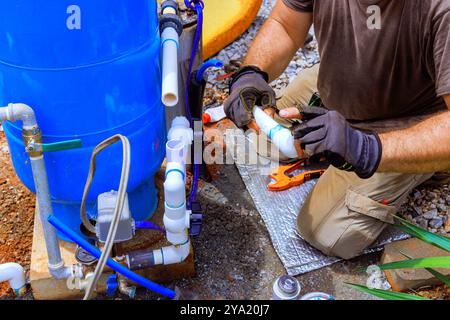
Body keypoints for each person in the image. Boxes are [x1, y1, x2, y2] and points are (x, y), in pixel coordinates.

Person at [224, 0, 450, 259]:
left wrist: (363, 149)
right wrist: (251, 74)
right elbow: (285, 25)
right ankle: (340, 119)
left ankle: (432, 167)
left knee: (326, 233)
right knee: (263, 139)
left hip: (409, 122)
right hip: (347, 85)